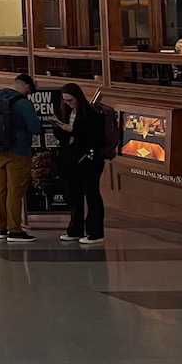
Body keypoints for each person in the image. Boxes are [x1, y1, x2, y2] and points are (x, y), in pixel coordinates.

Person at [0, 73, 43, 243]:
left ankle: (1, 227)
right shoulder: (23, 103)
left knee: (1, 189)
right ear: (27, 87)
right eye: (30, 91)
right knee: (15, 191)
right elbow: (35, 128)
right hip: (18, 152)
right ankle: (15, 230)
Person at [54, 82, 106, 244]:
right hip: (70, 158)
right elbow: (62, 137)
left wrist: (72, 130)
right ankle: (75, 229)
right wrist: (59, 127)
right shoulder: (65, 112)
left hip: (89, 159)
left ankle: (95, 232)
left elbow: (96, 138)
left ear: (78, 98)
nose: (68, 104)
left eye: (71, 100)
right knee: (73, 196)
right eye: (65, 101)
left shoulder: (91, 113)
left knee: (91, 195)